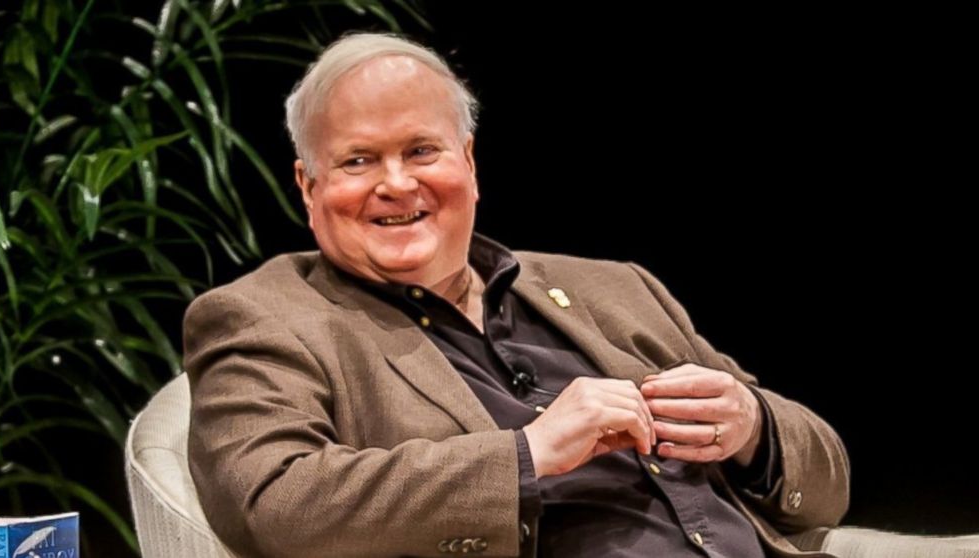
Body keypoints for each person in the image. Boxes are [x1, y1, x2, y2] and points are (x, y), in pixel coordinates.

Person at [182, 32, 849, 558]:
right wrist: (528, 454)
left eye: (421, 150)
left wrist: (753, 428)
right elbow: (271, 501)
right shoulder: (263, 317)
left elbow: (828, 487)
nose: (396, 183)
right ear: (309, 186)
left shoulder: (615, 287)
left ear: (467, 164)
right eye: (359, 161)